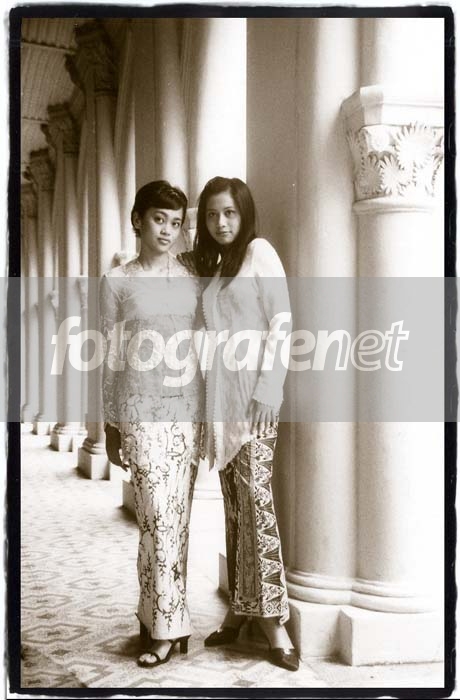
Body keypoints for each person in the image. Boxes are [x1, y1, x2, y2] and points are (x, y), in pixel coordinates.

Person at [193, 176, 299, 672]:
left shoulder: (260, 253)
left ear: (244, 214)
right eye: (213, 214)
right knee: (234, 509)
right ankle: (238, 608)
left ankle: (274, 622)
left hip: (255, 403)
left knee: (257, 505)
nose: (221, 222)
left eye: (230, 213)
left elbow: (282, 322)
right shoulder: (214, 270)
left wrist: (268, 389)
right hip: (221, 405)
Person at [100, 181, 203, 668]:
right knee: (155, 518)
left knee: (174, 522)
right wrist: (111, 424)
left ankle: (157, 619)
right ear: (138, 219)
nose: (167, 230)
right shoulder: (116, 281)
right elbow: (110, 356)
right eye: (159, 219)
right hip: (139, 414)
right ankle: (166, 626)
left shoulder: (192, 277)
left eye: (176, 222)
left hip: (186, 414)